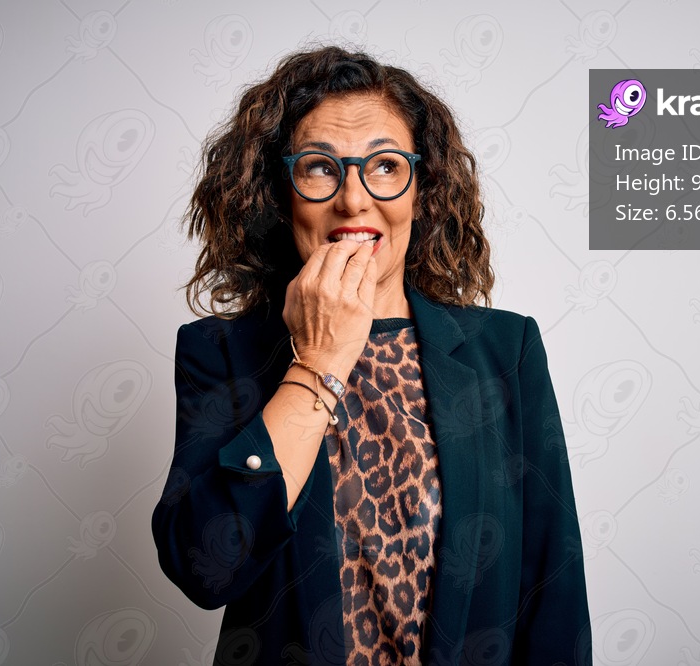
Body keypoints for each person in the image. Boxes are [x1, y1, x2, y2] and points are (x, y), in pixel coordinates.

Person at [152, 45, 591, 665]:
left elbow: (555, 592)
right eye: (319, 167)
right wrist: (319, 362)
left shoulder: (505, 351)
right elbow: (207, 570)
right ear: (279, 195)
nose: (354, 200)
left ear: (423, 189)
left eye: (385, 166)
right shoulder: (219, 354)